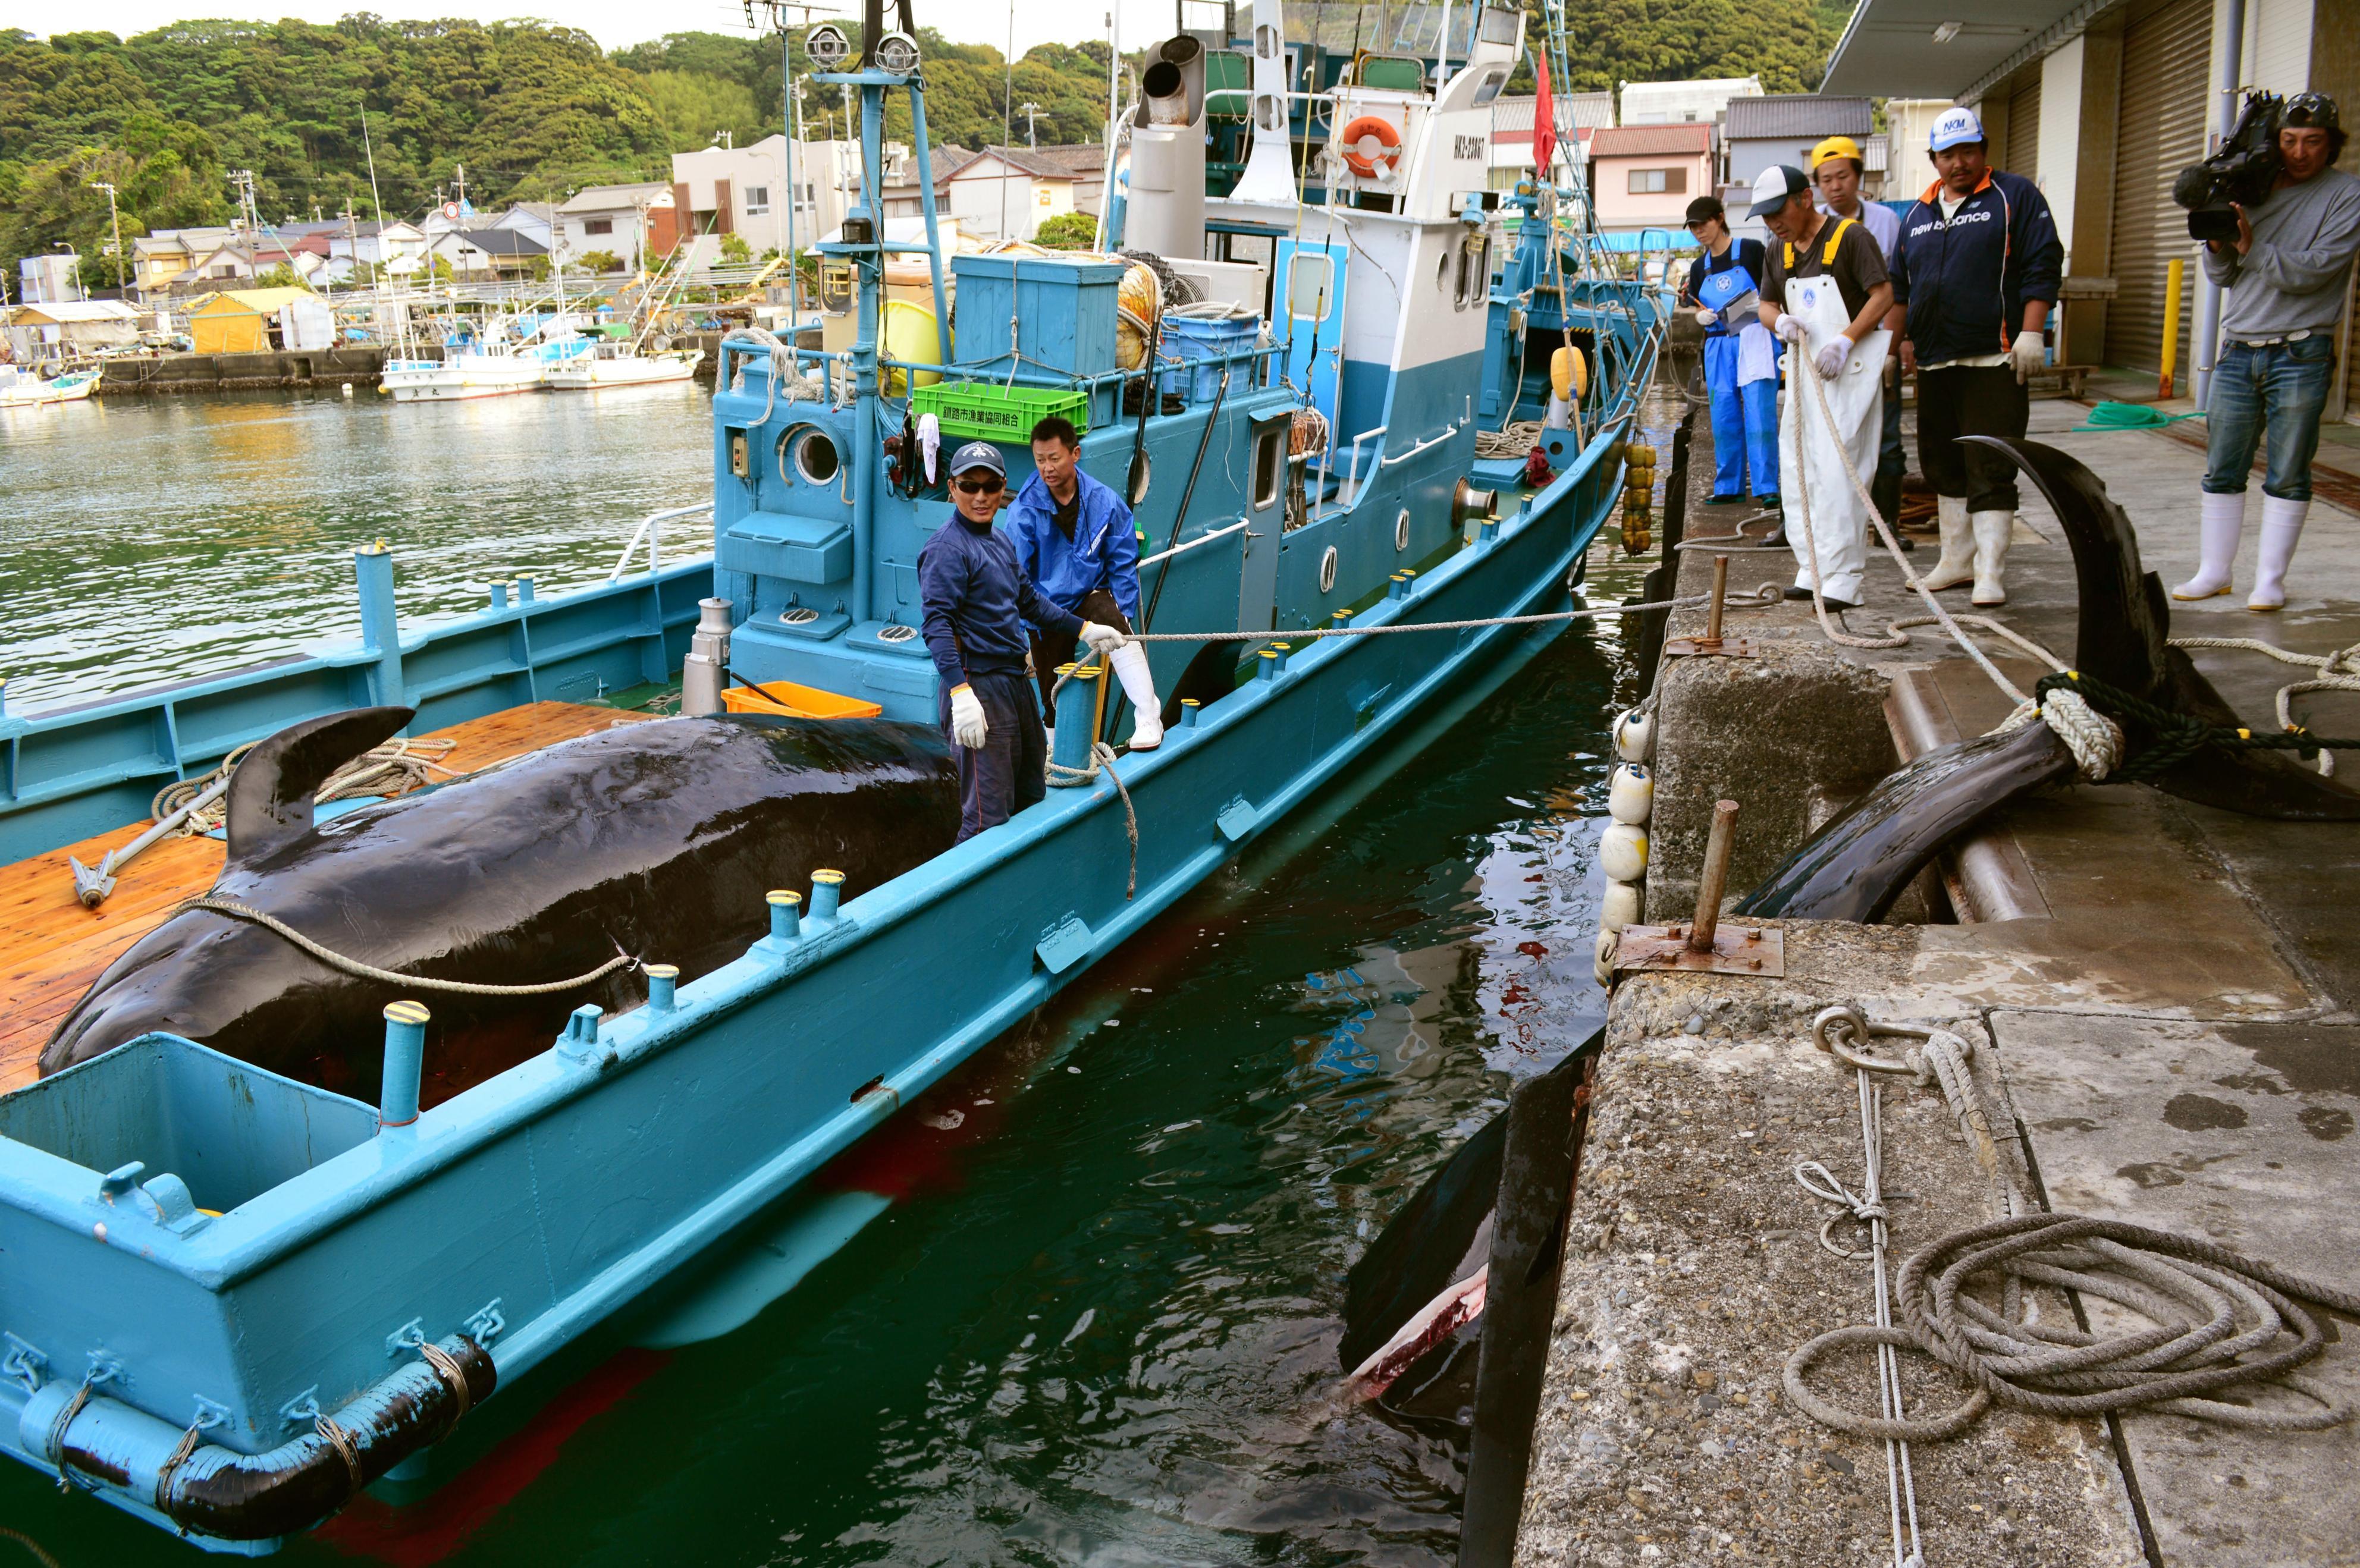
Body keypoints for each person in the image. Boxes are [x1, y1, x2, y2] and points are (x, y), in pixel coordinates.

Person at [2180, 92, 2360, 611]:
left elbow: (2316, 270)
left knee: (2288, 469)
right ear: (2275, 140)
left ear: (2332, 144)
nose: (2300, 152)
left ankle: (2270, 581)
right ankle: (2214, 572)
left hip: (2302, 351)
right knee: (2222, 466)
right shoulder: (2251, 189)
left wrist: (2251, 247)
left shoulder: (2346, 195)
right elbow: (2226, 276)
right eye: (2289, 140)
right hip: (2238, 349)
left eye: (2313, 142)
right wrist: (2219, 245)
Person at [1888, 105, 2063, 607]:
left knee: (1990, 463)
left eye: (1968, 151)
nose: (1958, 163)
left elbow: (2043, 264)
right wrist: (1896, 343)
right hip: (1936, 361)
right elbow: (1903, 288)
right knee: (1944, 463)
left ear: (1983, 151)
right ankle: (1955, 561)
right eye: (1948, 155)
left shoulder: (2015, 196)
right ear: (1934, 159)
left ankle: (1990, 570)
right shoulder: (1917, 215)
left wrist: (2033, 331)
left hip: (1996, 357)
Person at [918, 439, 1126, 842]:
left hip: (1013, 684)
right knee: (985, 817)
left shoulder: (998, 542)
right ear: (952, 488)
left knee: (1032, 795)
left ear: (1003, 490)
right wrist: (961, 694)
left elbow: (1029, 602)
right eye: (969, 485)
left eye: (990, 486)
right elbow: (937, 626)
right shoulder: (947, 549)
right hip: (977, 687)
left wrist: (1084, 629)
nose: (981, 496)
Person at [1755, 163, 1894, 611]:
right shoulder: (1778, 251)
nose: (1773, 222)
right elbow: (1765, 304)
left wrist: (1845, 338)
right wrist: (1781, 320)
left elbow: (1883, 294)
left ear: (1804, 199)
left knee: (1840, 474)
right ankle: (1812, 565)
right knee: (1800, 472)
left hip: (1847, 373)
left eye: (1778, 211)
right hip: (1803, 373)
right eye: (1765, 215)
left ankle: (1844, 579)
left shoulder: (1851, 238)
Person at [1006, 415, 1163, 749]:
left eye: (1054, 458)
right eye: (1040, 460)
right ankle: (1053, 752)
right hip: (1046, 607)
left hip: (1090, 594)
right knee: (1053, 690)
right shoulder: (1023, 511)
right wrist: (1024, 629)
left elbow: (1122, 560)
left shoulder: (1104, 502)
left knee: (1116, 625)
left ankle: (1149, 713)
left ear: (1074, 454)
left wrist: (1123, 613)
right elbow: (1016, 577)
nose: (1047, 467)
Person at [1812, 136, 1911, 546]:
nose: (1836, 186)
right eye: (1826, 179)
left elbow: (1900, 289)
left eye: (1843, 177)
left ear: (1858, 177)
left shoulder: (1886, 221)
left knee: (1887, 438)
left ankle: (1887, 526)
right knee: (1826, 438)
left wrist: (1898, 346)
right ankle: (1831, 526)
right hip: (1829, 349)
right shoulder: (1813, 224)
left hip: (1877, 343)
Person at [1680, 195, 1780, 508]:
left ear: (1720, 218)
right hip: (1718, 344)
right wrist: (1700, 318)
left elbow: (1773, 289)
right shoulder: (1699, 267)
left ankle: (1767, 487)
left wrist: (1754, 310)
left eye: (1703, 224)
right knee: (1723, 415)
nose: (1699, 232)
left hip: (1755, 338)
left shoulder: (1751, 250)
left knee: (1760, 413)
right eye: (1693, 227)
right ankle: (1728, 486)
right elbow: (1696, 302)